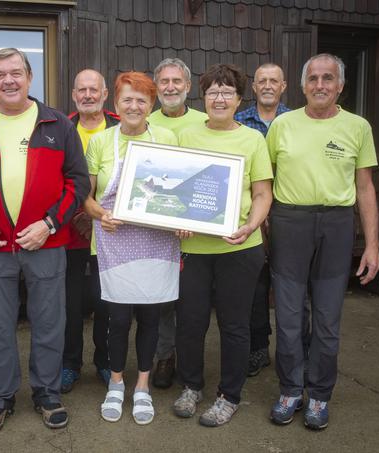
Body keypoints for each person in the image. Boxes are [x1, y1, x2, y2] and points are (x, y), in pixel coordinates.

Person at [0, 48, 90, 434]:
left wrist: (49, 223)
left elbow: (77, 182)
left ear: (30, 77)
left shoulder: (58, 124)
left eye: (16, 72)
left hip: (45, 243)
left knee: (49, 322)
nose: (8, 80)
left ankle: (47, 393)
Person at [267, 53, 379, 430]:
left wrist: (373, 245)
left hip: (336, 224)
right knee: (288, 316)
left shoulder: (358, 127)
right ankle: (290, 389)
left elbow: (364, 188)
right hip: (290, 221)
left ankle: (318, 395)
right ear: (302, 86)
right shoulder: (282, 125)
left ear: (340, 86)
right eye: (313, 78)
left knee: (328, 318)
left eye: (327, 78)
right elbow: (262, 183)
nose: (320, 85)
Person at [173, 64, 273, 427]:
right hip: (193, 249)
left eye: (227, 92)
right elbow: (177, 186)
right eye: (213, 91)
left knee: (234, 325)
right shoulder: (186, 135)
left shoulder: (252, 140)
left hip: (239, 247)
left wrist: (250, 225)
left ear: (238, 99)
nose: (219, 98)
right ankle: (191, 386)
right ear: (204, 96)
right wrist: (177, 222)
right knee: (190, 322)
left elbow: (262, 193)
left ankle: (229, 395)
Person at [84, 71, 183, 426]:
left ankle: (142, 387)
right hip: (114, 241)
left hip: (157, 241)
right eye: (127, 99)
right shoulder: (100, 142)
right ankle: (115, 383)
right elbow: (87, 196)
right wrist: (100, 214)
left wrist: (184, 219)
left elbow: (177, 191)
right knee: (117, 319)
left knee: (151, 317)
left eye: (142, 100)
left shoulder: (168, 138)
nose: (134, 106)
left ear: (151, 105)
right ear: (116, 103)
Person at [147, 58, 207, 389]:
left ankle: (191, 359)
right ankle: (165, 356)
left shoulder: (206, 120)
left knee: (193, 301)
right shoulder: (146, 121)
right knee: (163, 301)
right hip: (159, 229)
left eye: (176, 81)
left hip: (197, 229)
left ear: (187, 86)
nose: (170, 87)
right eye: (164, 82)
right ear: (156, 88)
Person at [62, 69, 120, 393]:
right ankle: (69, 363)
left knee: (105, 301)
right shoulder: (61, 128)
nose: (87, 95)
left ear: (104, 93)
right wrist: (77, 216)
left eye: (93, 89)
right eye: (81, 90)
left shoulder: (118, 126)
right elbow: (54, 179)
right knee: (69, 304)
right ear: (74, 95)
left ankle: (104, 360)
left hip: (111, 232)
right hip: (68, 232)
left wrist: (96, 216)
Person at [234, 63, 289, 377]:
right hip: (248, 215)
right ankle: (258, 348)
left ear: (283, 86)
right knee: (254, 285)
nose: (268, 85)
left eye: (274, 81)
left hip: (286, 214)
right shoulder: (239, 121)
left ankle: (295, 348)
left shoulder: (295, 120)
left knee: (290, 285)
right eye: (262, 81)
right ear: (253, 87)